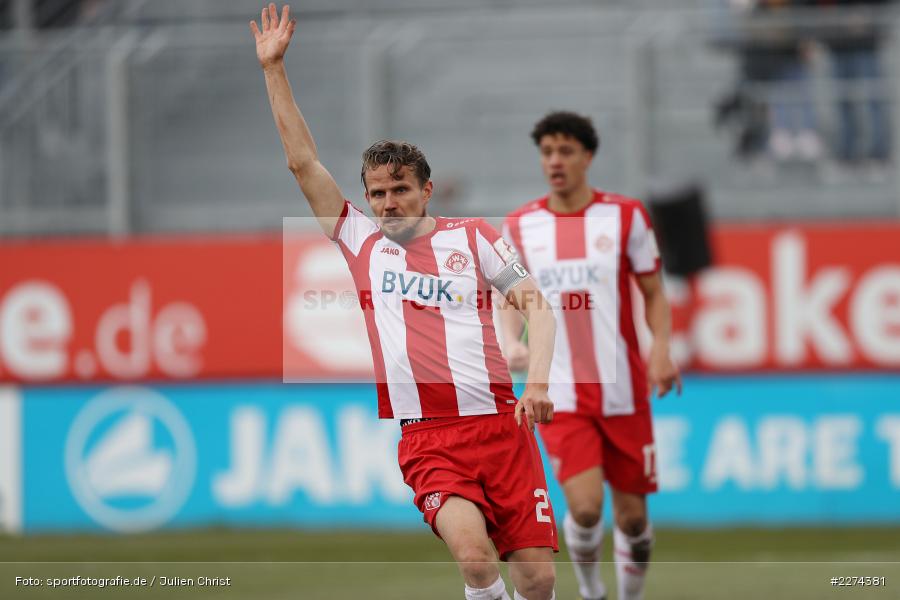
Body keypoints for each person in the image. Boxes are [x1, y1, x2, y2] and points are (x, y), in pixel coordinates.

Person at [250, 5, 559, 599]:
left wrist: (538, 383)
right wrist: (273, 70)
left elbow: (537, 305)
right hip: (430, 437)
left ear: (426, 190)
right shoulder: (359, 240)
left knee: (539, 580)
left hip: (502, 427)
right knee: (474, 559)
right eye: (377, 193)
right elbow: (302, 163)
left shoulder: (475, 237)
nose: (388, 203)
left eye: (399, 191)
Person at [500, 111, 682, 600]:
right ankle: (591, 592)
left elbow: (654, 292)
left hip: (623, 389)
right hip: (559, 391)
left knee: (633, 520)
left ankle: (629, 595)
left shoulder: (626, 216)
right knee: (583, 509)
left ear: (588, 156)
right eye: (546, 152)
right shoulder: (519, 226)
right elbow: (507, 298)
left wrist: (661, 349)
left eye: (565, 151)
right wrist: (510, 341)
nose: (555, 162)